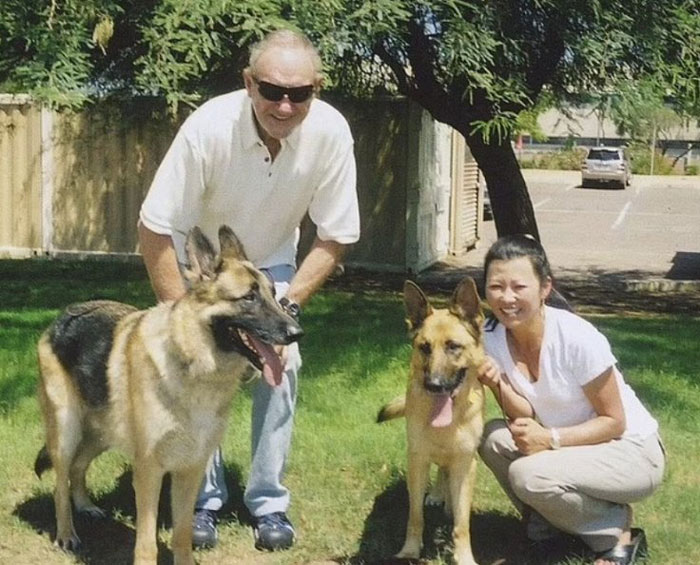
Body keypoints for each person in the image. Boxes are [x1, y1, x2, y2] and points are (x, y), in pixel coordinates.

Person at [137, 29, 360, 551]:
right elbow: (153, 228)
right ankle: (204, 502)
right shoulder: (208, 128)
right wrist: (181, 318)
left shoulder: (330, 132)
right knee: (197, 368)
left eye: (299, 93)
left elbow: (337, 234)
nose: (284, 105)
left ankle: (268, 502)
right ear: (248, 82)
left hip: (272, 265)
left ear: (317, 90)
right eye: (271, 89)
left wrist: (285, 305)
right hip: (206, 269)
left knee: (283, 365)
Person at [476, 235, 664, 565]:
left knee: (528, 475)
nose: (507, 298)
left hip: (632, 451)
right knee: (492, 437)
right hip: (576, 446)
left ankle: (616, 531)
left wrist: (549, 438)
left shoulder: (576, 337)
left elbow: (614, 422)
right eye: (496, 287)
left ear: (545, 287)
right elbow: (525, 411)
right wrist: (498, 384)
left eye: (519, 287)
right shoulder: (492, 336)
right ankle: (551, 530)